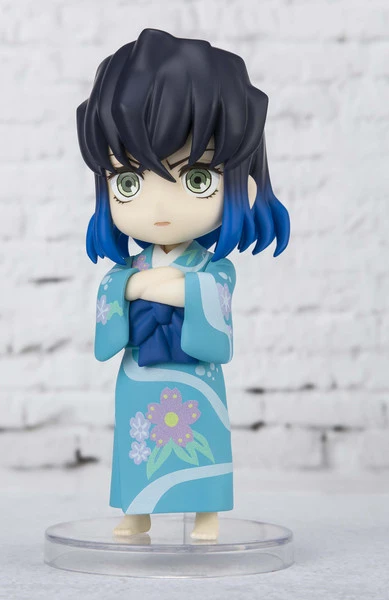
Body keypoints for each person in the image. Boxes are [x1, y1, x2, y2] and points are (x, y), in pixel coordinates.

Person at [77, 28, 290, 540]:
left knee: (204, 439)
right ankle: (136, 511)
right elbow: (112, 300)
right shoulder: (129, 269)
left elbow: (205, 305)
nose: (159, 206)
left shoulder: (213, 270)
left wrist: (148, 288)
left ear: (243, 185)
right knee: (137, 445)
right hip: (140, 376)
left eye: (196, 178)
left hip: (196, 378)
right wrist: (140, 287)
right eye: (129, 182)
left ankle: (207, 513)